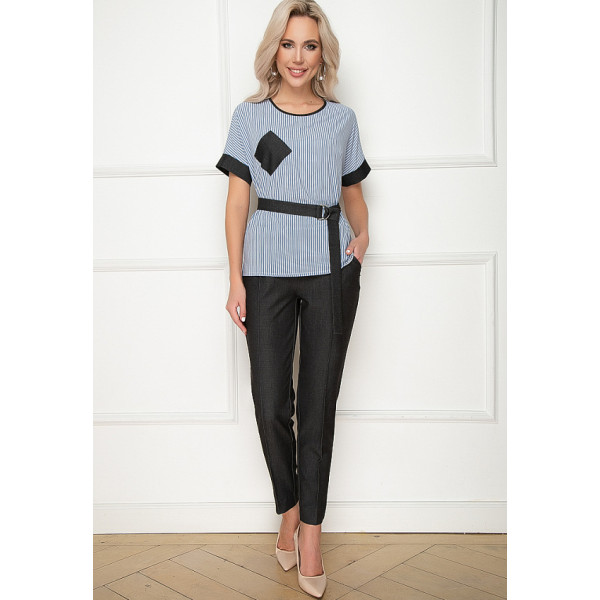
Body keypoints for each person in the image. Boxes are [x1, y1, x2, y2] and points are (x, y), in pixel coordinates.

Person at [216, 1, 370, 596]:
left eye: (309, 45)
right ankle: (289, 506)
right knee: (269, 401)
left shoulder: (342, 120)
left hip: (331, 268)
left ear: (322, 53)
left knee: (319, 404)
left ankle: (310, 534)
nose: (298, 57)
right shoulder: (250, 117)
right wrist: (236, 278)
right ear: (273, 51)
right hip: (266, 272)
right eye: (288, 44)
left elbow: (353, 192)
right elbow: (237, 201)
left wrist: (363, 239)